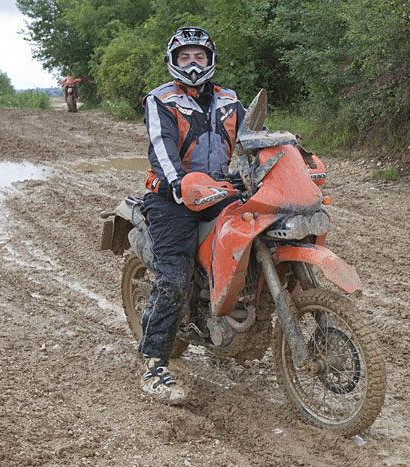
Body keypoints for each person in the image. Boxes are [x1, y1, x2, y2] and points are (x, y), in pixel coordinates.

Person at [138, 26, 246, 404]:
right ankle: (153, 364)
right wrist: (179, 183)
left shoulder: (230, 100)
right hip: (172, 197)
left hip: (219, 190)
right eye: (185, 56)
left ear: (210, 58)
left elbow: (254, 139)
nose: (193, 62)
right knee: (175, 274)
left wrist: (289, 154)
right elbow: (161, 147)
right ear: (173, 61)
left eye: (199, 55)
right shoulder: (161, 99)